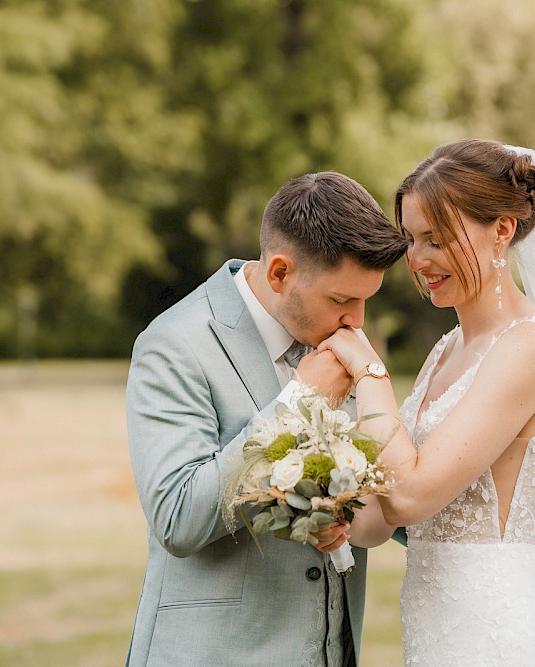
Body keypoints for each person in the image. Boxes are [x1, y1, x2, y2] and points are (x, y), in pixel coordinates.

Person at [320, 140, 535, 665]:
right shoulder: (446, 350)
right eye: (411, 239)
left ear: (501, 230)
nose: (419, 259)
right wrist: (319, 508)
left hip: (496, 636)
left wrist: (369, 372)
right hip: (434, 636)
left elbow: (411, 496)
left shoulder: (530, 347)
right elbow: (383, 519)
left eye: (437, 238)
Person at [125, 171, 406, 666]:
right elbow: (178, 518)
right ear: (279, 273)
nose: (358, 322)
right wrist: (299, 402)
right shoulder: (175, 344)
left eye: (367, 299)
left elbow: (396, 498)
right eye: (342, 300)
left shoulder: (344, 347)